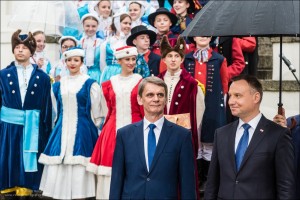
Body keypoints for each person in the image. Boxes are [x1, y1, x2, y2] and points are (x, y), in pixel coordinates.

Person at [205, 74, 296, 199]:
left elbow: (285, 186)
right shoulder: (221, 134)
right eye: (230, 95)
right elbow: (212, 184)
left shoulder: (278, 135)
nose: (231, 101)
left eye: (238, 96)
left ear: (256, 97)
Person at [109, 76, 196, 199]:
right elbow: (117, 180)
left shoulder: (182, 136)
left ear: (165, 99)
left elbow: (187, 184)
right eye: (150, 95)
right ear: (140, 99)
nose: (156, 99)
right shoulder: (124, 135)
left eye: (160, 95)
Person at [38, 47, 102, 199]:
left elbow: (97, 110)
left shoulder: (90, 83)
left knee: (79, 161)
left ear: (81, 62)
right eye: (69, 60)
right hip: (61, 128)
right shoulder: (59, 84)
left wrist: (93, 128)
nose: (72, 63)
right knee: (60, 159)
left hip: (83, 129)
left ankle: (80, 194)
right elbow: (55, 109)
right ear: (65, 62)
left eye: (76, 60)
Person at [87, 46, 144, 199]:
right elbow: (106, 110)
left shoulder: (141, 82)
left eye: (133, 59)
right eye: (127, 59)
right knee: (109, 166)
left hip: (136, 128)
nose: (131, 62)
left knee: (135, 164)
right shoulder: (108, 84)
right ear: (119, 61)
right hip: (112, 129)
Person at [0, 29, 52, 197]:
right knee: (9, 156)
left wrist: (46, 129)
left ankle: (28, 187)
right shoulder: (3, 74)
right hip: (8, 125)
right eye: (17, 47)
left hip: (33, 125)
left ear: (32, 50)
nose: (20, 50)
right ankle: (7, 187)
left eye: (24, 47)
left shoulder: (42, 77)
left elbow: (46, 105)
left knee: (28, 159)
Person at [184, 36, 228, 193]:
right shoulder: (186, 58)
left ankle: (208, 181)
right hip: (191, 106)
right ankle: (196, 178)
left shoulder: (219, 59)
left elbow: (224, 85)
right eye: (199, 34)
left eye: (206, 34)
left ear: (211, 37)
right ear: (194, 37)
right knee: (194, 141)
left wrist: (220, 106)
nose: (203, 37)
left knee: (209, 142)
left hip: (212, 106)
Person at [158, 35, 205, 157]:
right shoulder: (156, 82)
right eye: (169, 56)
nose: (173, 60)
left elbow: (198, 112)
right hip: (159, 131)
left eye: (176, 56)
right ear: (164, 59)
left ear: (182, 59)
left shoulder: (192, 84)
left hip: (182, 133)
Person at [100, 13, 132, 83]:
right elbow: (102, 64)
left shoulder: (131, 42)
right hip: (109, 74)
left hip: (126, 74)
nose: (128, 26)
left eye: (130, 24)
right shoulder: (107, 43)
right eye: (125, 23)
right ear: (117, 23)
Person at [78, 13, 103, 83]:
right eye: (87, 26)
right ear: (83, 26)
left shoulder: (101, 43)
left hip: (96, 75)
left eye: (93, 26)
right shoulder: (79, 43)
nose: (90, 29)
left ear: (97, 26)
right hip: (80, 74)